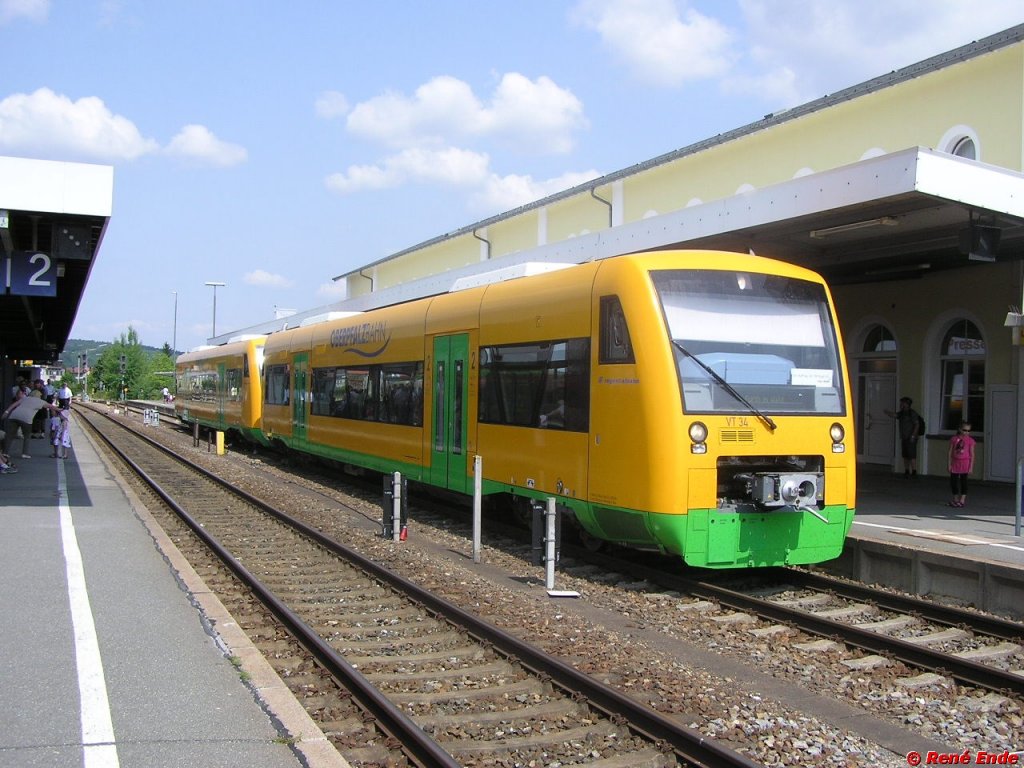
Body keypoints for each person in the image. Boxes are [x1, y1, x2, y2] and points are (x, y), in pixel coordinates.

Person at [2, 391, 65, 460]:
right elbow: (51, 407)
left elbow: (14, 405)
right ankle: (24, 454)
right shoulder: (41, 401)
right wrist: (60, 409)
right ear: (39, 396)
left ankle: (5, 453)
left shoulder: (25, 398)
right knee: (26, 437)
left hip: (13, 416)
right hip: (26, 419)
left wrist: (6, 412)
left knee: (9, 435)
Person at [886, 396, 922, 477]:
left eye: (902, 403)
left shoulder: (912, 413)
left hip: (911, 437)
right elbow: (895, 415)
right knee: (905, 454)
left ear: (907, 404)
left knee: (912, 454)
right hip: (904, 437)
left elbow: (917, 424)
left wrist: (913, 435)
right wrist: (887, 412)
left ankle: (914, 471)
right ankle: (906, 470)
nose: (901, 405)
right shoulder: (902, 413)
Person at [947, 421, 976, 507]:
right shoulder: (954, 439)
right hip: (955, 462)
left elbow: (972, 454)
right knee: (954, 481)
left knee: (964, 481)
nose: (966, 432)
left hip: (965, 462)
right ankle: (955, 498)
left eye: (968, 431)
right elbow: (950, 452)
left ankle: (962, 499)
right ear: (960, 429)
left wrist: (971, 467)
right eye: (965, 430)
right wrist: (949, 464)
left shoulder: (970, 440)